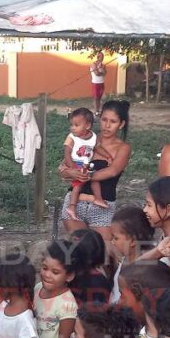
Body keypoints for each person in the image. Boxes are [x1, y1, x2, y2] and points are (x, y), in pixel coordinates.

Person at [61, 100, 131, 241]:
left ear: (121, 124)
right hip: (76, 202)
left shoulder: (123, 148)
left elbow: (112, 171)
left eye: (113, 121)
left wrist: (84, 176)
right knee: (80, 250)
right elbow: (62, 168)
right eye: (104, 119)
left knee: (103, 253)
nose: (107, 125)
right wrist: (69, 172)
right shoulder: (85, 139)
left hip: (102, 207)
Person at [64, 107, 105, 220]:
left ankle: (97, 198)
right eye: (71, 125)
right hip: (74, 163)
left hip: (86, 164)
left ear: (87, 126)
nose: (72, 128)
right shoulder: (72, 137)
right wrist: (72, 167)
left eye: (76, 125)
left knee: (94, 179)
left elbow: (98, 148)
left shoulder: (93, 137)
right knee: (78, 185)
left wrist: (108, 156)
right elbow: (67, 153)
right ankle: (72, 207)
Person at [108, 205, 155, 302]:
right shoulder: (126, 258)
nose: (112, 242)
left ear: (133, 240)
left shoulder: (144, 270)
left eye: (115, 238)